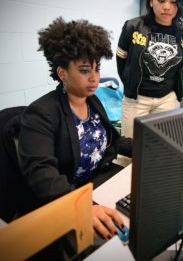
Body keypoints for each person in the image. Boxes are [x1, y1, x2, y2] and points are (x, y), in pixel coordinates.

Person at [18, 17, 132, 259]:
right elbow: (42, 174)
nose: (94, 78)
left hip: (98, 183)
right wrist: (84, 208)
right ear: (62, 73)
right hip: (64, 196)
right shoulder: (41, 113)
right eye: (84, 70)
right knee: (110, 248)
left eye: (97, 68)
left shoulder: (92, 99)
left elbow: (110, 141)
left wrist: (150, 147)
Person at [116, 0, 183, 138]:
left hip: (167, 100)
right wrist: (129, 82)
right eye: (161, 0)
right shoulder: (133, 26)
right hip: (136, 99)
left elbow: (178, 66)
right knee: (129, 150)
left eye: (173, 1)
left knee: (160, 148)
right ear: (151, 1)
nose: (167, 6)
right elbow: (121, 59)